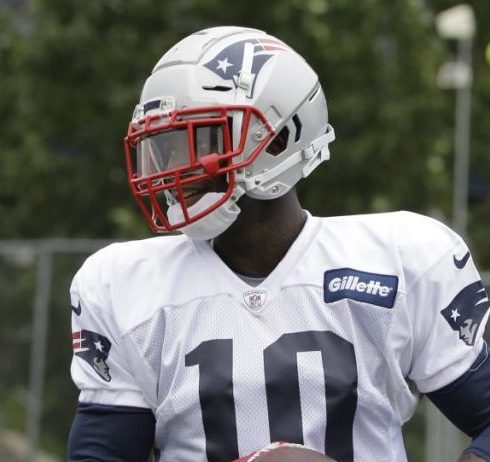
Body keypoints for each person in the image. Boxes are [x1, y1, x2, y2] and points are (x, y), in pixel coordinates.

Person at [67, 26, 490, 462]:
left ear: (278, 139)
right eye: (164, 147)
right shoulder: (122, 284)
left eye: (195, 141)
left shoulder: (404, 260)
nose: (173, 167)